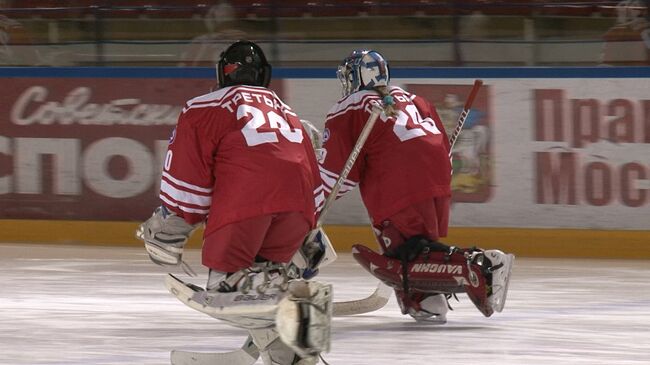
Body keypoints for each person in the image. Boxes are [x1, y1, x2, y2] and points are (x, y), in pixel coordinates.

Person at [136, 40, 330, 365]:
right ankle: (291, 352)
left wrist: (168, 231)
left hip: (246, 209)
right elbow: (311, 177)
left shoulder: (203, 106)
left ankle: (271, 325)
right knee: (267, 277)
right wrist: (311, 236)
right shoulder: (290, 113)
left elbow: (189, 182)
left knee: (228, 288)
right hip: (298, 212)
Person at [318, 49, 514, 324]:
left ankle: (483, 266)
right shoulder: (414, 99)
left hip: (398, 182)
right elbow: (439, 145)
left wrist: (310, 205)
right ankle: (426, 302)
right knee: (417, 249)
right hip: (436, 180)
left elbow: (339, 174)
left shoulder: (349, 107)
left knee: (403, 256)